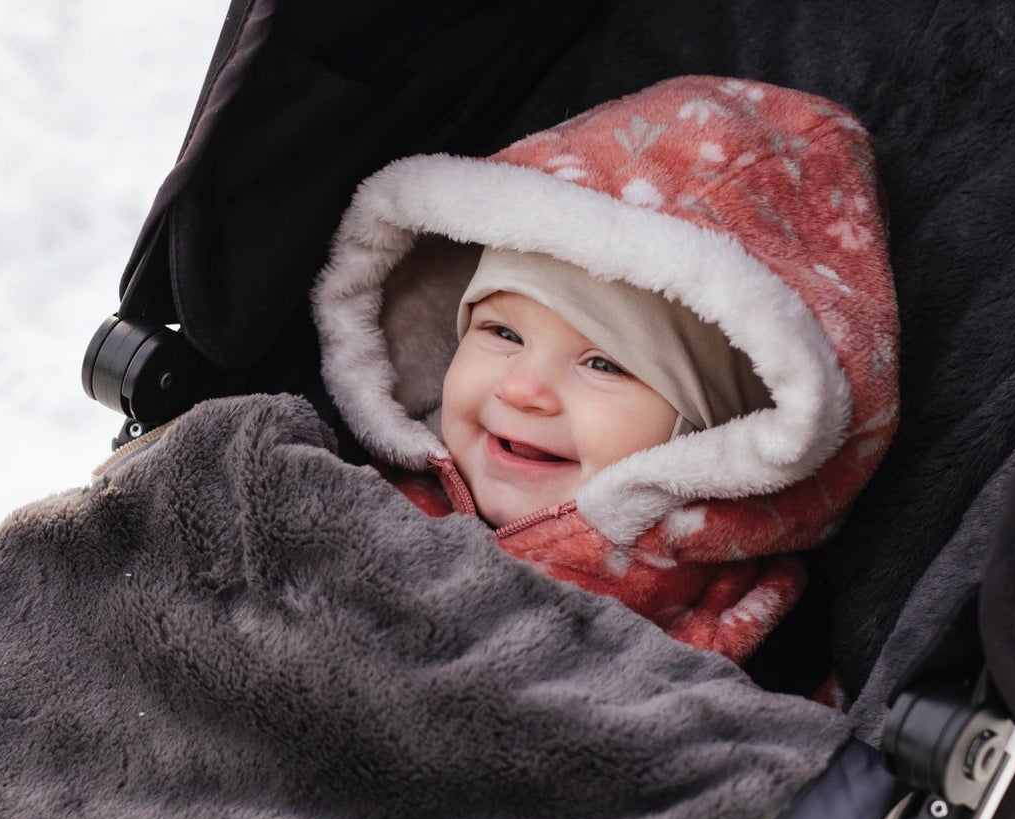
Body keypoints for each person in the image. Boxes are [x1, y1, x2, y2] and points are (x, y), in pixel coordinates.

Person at [312, 75, 899, 672]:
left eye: (603, 364)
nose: (521, 390)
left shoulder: (749, 624)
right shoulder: (353, 500)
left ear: (717, 432)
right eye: (502, 333)